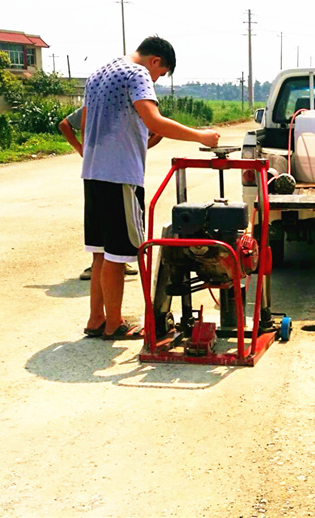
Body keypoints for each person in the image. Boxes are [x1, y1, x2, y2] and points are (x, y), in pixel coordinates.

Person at [81, 35, 219, 340]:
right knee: (118, 254)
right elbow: (154, 121)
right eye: (160, 74)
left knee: (100, 253)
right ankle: (114, 323)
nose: (155, 79)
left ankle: (96, 319)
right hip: (120, 176)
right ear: (155, 61)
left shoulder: (99, 73)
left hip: (93, 172)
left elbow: (87, 123)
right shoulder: (137, 73)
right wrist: (201, 136)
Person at [58, 106, 152, 281]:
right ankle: (108, 264)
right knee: (110, 225)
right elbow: (64, 124)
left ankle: (108, 264)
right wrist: (80, 148)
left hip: (98, 170)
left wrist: (138, 147)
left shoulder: (106, 100)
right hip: (113, 172)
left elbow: (156, 130)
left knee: (107, 224)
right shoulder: (98, 103)